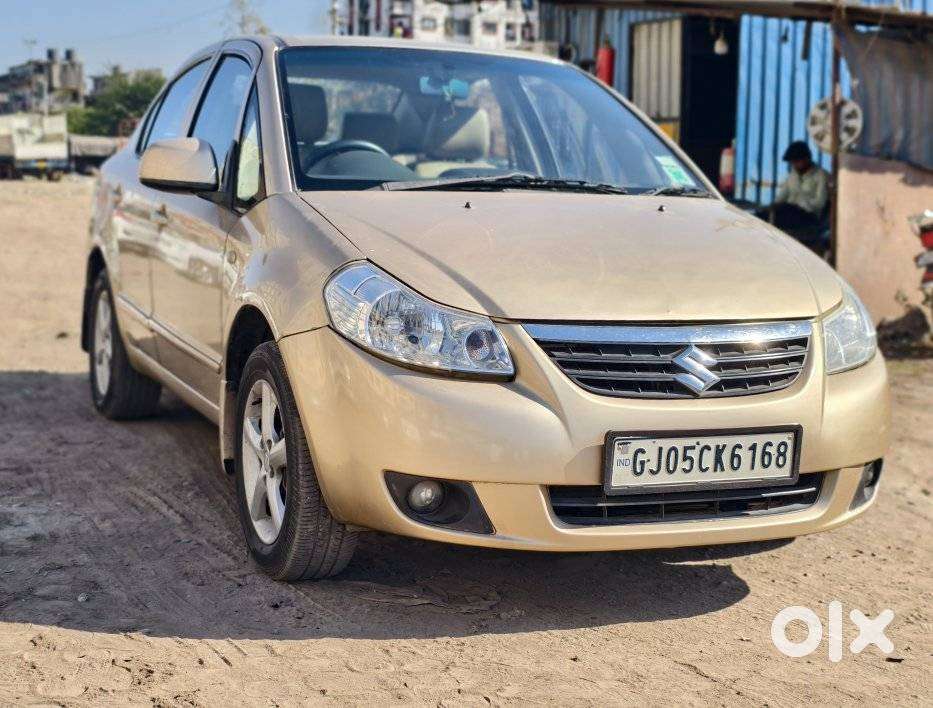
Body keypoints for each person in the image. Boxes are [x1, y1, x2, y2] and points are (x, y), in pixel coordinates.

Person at [758, 141, 830, 231]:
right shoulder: (793, 175)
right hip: (789, 212)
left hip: (809, 217)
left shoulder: (821, 175)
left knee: (785, 213)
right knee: (760, 216)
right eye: (792, 162)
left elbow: (819, 203)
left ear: (807, 159)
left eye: (797, 161)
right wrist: (772, 207)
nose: (794, 164)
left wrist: (800, 204)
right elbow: (781, 197)